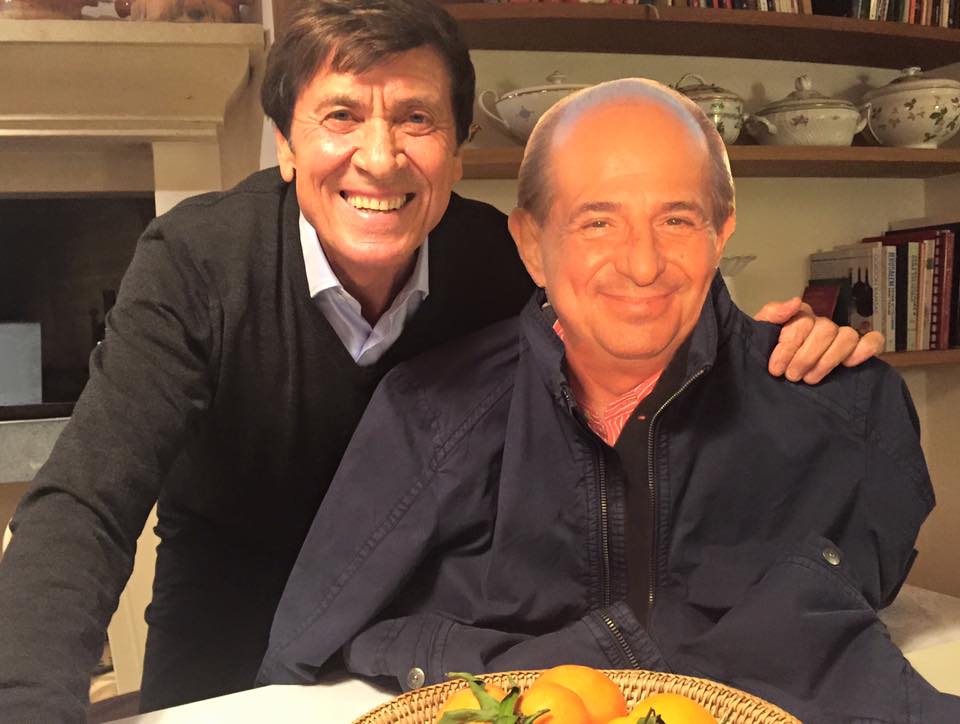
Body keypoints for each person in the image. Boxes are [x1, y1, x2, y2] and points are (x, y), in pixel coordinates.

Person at [0, 1, 878, 719]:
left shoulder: (496, 257)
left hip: (409, 609)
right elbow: (87, 500)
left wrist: (769, 347)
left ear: (456, 150)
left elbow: (623, 335)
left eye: (415, 119)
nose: (380, 158)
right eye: (341, 115)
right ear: (286, 146)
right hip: (228, 604)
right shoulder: (196, 263)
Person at [258, 78, 959, 722]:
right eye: (598, 222)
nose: (642, 264)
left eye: (677, 220)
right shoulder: (427, 415)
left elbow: (866, 598)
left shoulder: (848, 408)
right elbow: (306, 656)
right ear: (532, 244)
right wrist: (575, 659)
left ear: (722, 230)